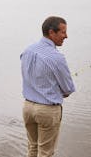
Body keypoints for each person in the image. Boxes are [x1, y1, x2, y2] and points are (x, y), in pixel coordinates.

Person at [20, 16, 76, 157]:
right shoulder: (56, 57)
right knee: (46, 153)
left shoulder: (27, 50)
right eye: (63, 32)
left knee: (32, 148)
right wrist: (60, 91)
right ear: (52, 32)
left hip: (27, 108)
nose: (66, 36)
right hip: (47, 110)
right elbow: (68, 89)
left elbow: (29, 78)